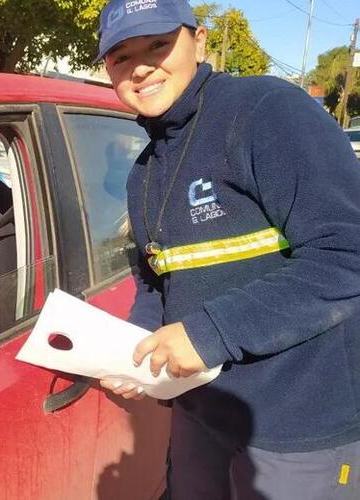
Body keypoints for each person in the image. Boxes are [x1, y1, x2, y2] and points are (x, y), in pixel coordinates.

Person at [93, 1, 360, 498]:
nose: (142, 67)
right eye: (121, 55)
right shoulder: (145, 172)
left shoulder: (267, 111)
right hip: (202, 410)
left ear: (198, 39)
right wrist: (138, 345)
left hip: (300, 422)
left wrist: (211, 331)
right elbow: (158, 276)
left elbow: (346, 252)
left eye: (157, 45)